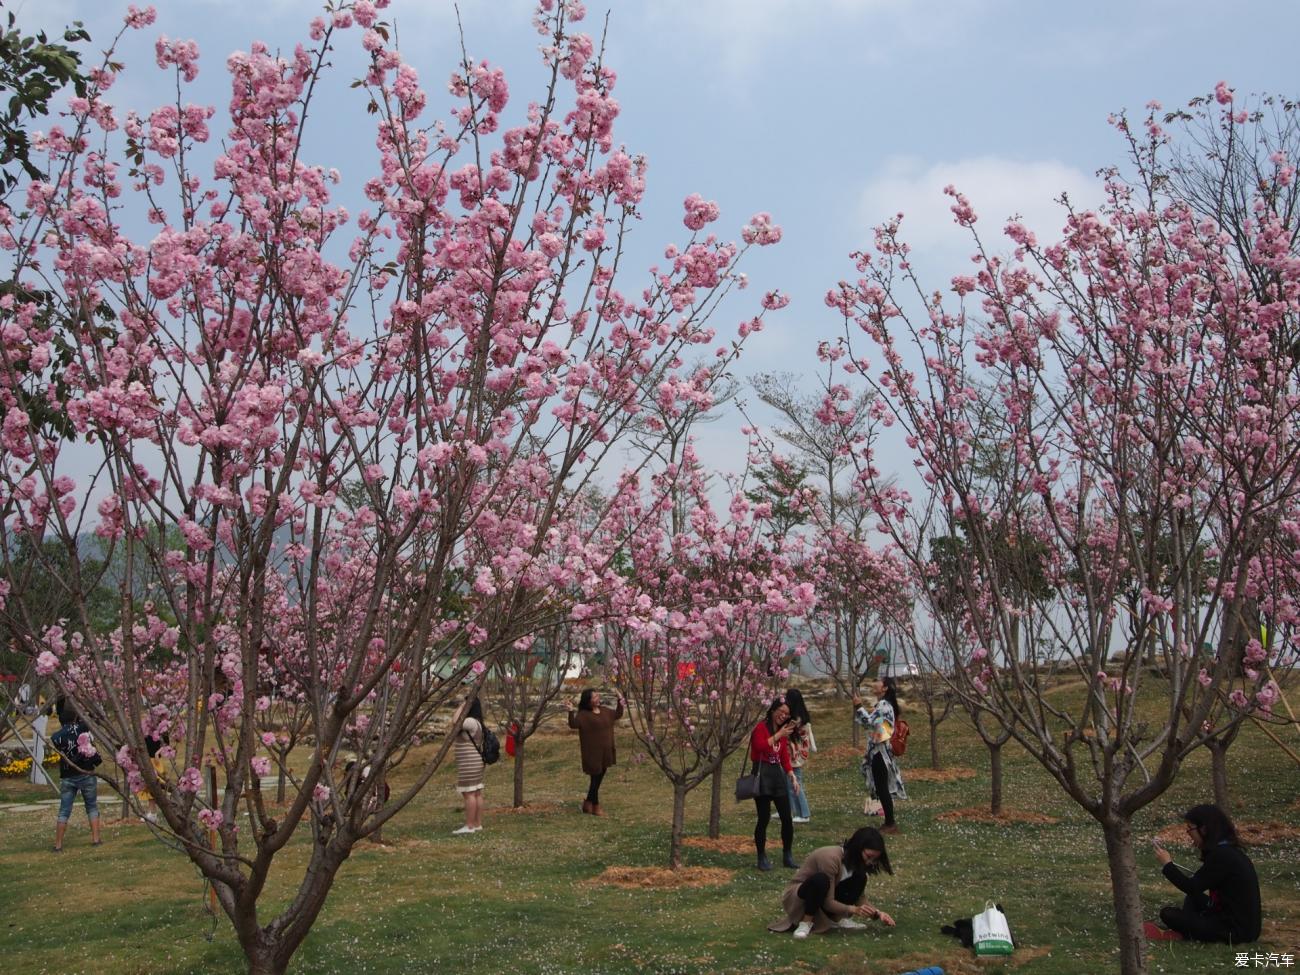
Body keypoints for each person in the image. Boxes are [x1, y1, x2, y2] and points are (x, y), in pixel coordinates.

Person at [1150, 804, 1261, 943]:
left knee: (1168, 914)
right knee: (1192, 899)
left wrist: (1167, 865)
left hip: (1234, 932)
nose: (1189, 834)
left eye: (1190, 829)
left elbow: (1191, 886)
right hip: (1233, 920)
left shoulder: (1222, 856)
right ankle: (1191, 927)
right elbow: (1197, 887)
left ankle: (1189, 930)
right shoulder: (1228, 851)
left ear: (1204, 829)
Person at [769, 826, 896, 939]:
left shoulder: (856, 865)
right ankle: (805, 922)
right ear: (858, 848)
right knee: (821, 880)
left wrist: (878, 913)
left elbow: (860, 898)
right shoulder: (831, 858)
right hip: (800, 899)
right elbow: (828, 902)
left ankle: (836, 920)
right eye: (869, 856)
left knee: (860, 878)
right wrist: (854, 910)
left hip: (824, 897)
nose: (870, 862)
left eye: (874, 859)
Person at [750, 697, 800, 871]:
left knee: (787, 818)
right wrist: (779, 735)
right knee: (763, 818)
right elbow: (759, 746)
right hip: (762, 775)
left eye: (786, 714)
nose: (783, 716)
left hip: (776, 776)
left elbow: (783, 756)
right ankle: (761, 856)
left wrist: (791, 774)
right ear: (773, 711)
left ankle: (787, 854)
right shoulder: (760, 728)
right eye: (781, 712)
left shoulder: (783, 732)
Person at [853, 676, 907, 835]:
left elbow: (869, 723)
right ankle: (889, 822)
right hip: (880, 751)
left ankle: (890, 823)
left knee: (882, 789)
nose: (875, 682)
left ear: (885, 688)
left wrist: (858, 706)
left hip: (880, 753)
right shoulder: (886, 705)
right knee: (882, 788)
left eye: (879, 681)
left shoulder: (884, 705)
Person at [51, 703, 103, 852]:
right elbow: (93, 721)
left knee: (64, 810)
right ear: (75, 717)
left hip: (68, 775)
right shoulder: (82, 729)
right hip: (86, 773)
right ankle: (95, 838)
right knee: (92, 806)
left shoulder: (56, 737)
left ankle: (58, 844)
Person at [567, 688, 624, 815]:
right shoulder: (583, 715)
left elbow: (618, 714)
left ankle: (588, 803)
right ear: (588, 701)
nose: (598, 698)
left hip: (606, 751)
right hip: (593, 754)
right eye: (594, 697)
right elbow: (573, 724)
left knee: (598, 778)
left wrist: (620, 699)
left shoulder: (605, 711)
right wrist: (571, 711)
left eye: (597, 695)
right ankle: (595, 805)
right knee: (595, 779)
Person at [452, 696, 486, 834]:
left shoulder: (470, 722)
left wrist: (461, 706)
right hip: (475, 762)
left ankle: (469, 825)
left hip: (469, 763)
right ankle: (477, 823)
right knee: (476, 792)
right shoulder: (477, 722)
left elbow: (455, 721)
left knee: (469, 793)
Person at [784, 688, 817, 824]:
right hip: (797, 754)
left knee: (795, 783)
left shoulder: (796, 719)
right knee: (790, 783)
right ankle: (791, 810)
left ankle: (804, 814)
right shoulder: (802, 715)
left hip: (794, 755)